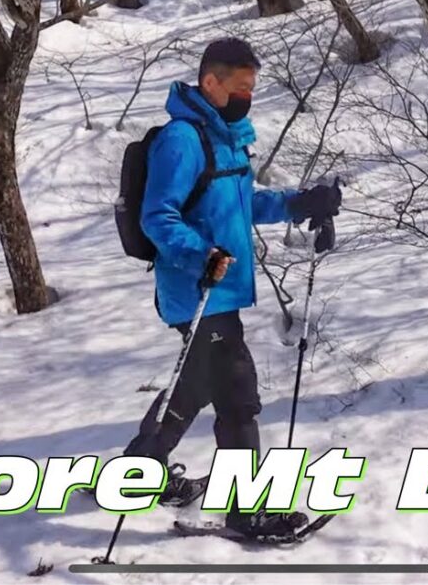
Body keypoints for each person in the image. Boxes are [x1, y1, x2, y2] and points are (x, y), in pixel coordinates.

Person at [123, 38, 341, 539]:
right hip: (196, 290)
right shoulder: (181, 139)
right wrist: (202, 255)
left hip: (222, 292)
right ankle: (248, 510)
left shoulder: (226, 138)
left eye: (251, 88)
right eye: (240, 87)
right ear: (210, 83)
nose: (247, 96)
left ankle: (137, 472)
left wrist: (300, 202)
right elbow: (157, 215)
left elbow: (243, 206)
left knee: (197, 384)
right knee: (238, 395)